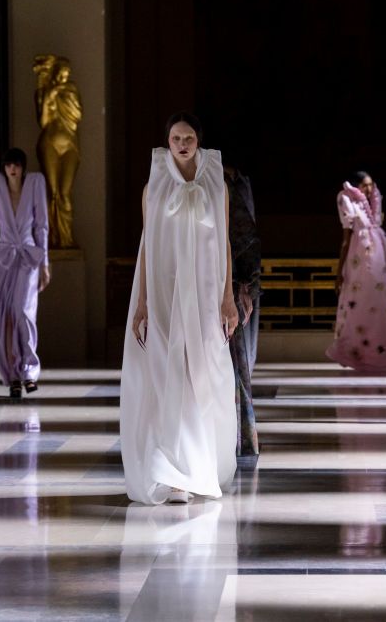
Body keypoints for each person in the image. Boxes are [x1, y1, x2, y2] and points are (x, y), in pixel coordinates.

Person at [119, 113, 239, 505]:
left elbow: (224, 244)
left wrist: (228, 297)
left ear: (198, 142)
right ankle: (172, 470)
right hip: (166, 297)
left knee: (201, 376)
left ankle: (199, 464)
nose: (182, 144)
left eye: (188, 137)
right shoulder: (152, 189)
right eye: (175, 138)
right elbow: (145, 250)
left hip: (204, 299)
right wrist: (142, 305)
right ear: (167, 142)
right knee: (168, 376)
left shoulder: (216, 186)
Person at [326, 172, 386, 372]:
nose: (368, 189)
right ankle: (362, 354)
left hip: (381, 259)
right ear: (356, 186)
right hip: (360, 262)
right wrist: (340, 270)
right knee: (362, 305)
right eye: (364, 185)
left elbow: (381, 233)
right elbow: (346, 238)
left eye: (370, 185)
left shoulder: (375, 202)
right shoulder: (347, 199)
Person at [0, 147, 51, 398]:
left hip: (28, 257)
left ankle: (29, 370)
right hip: (2, 258)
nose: (13, 169)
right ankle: (12, 374)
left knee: (23, 310)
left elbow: (42, 225)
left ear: (23, 168)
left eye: (17, 165)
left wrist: (45, 263)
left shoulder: (35, 184)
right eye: (9, 164)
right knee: (3, 315)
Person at [224, 162, 261, 458]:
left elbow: (244, 241)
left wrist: (244, 285)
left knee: (233, 364)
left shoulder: (230, 186)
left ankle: (234, 439)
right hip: (193, 283)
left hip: (230, 284)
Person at [33, 54, 82, 248]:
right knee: (52, 192)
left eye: (67, 74)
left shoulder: (71, 90)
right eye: (62, 74)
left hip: (69, 144)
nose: (64, 78)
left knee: (65, 192)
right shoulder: (44, 93)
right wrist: (50, 96)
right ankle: (53, 239)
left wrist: (61, 94)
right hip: (49, 143)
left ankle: (66, 238)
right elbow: (44, 122)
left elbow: (77, 116)